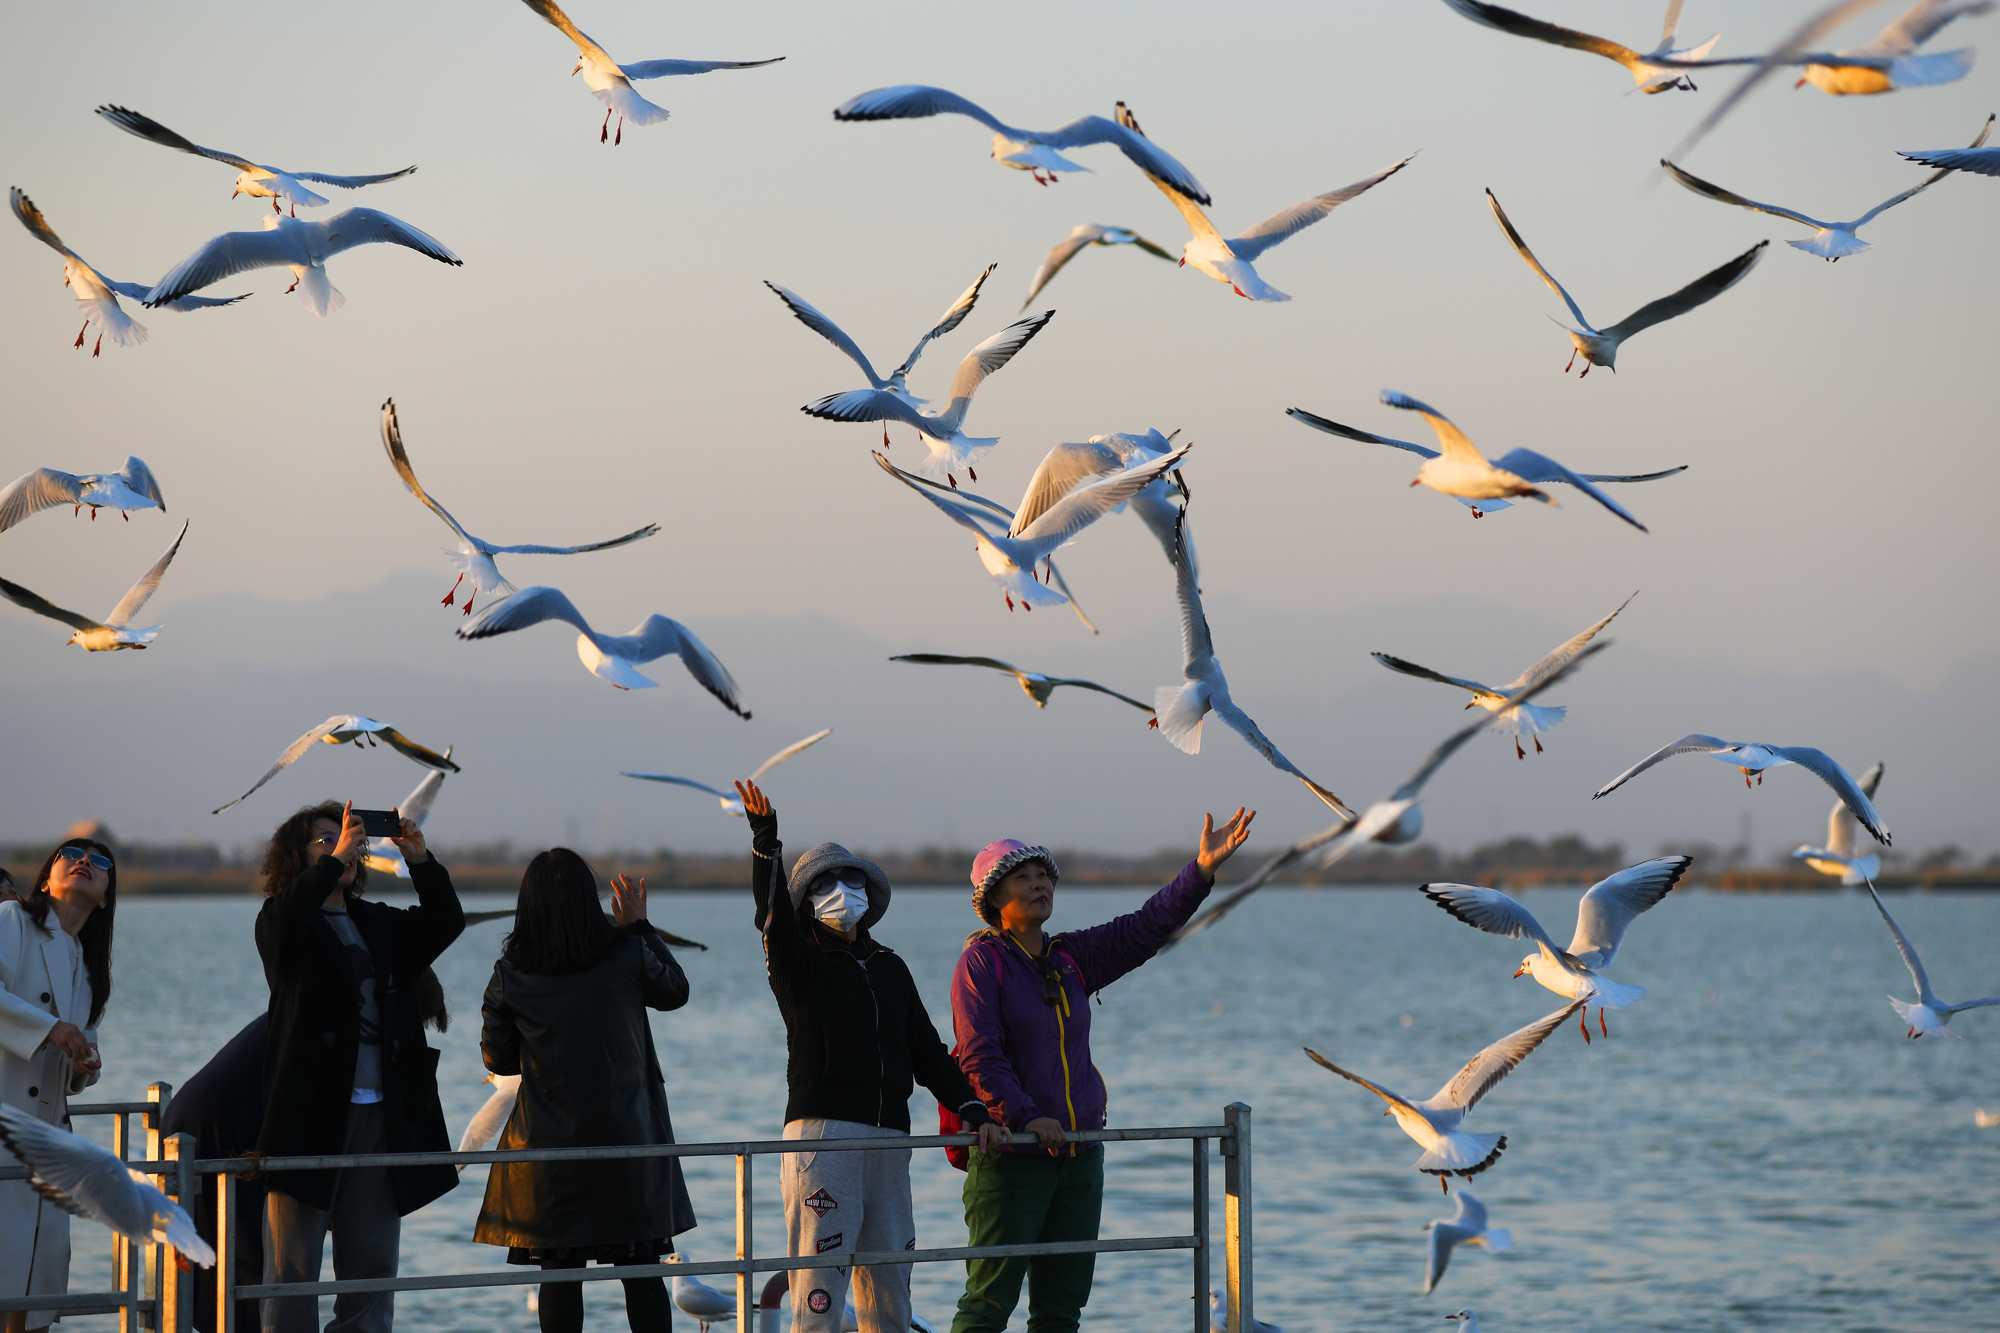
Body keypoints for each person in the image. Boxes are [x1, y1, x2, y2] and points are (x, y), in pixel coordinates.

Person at [948, 809, 1255, 1333]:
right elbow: (980, 1055)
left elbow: (1145, 927)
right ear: (994, 900)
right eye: (1023, 877)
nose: (1040, 883)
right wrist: (1025, 1119)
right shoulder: (981, 964)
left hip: (1081, 1154)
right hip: (1013, 1158)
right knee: (987, 1306)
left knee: (1062, 1312)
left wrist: (1201, 870)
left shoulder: (1072, 957)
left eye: (1044, 874)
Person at [736, 780, 1005, 1333]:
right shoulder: (797, 964)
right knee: (818, 1291)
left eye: (850, 878)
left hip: (890, 1138)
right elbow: (769, 917)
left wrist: (972, 1108)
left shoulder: (890, 965)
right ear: (805, 902)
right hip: (825, 1137)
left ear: (868, 892)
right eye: (824, 883)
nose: (840, 889)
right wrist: (767, 840)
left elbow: (926, 1051)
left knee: (890, 1295)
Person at [255, 801, 463, 1333]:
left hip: (381, 1117)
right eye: (325, 841)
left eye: (349, 839)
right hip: (307, 1118)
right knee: (291, 1273)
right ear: (297, 858)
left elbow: (445, 921)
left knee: (372, 1272)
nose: (342, 848)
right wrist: (331, 862)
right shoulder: (284, 923)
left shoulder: (377, 922)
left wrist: (420, 860)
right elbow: (282, 924)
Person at [475, 849, 694, 1333]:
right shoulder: (627, 953)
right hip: (628, 1143)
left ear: (527, 906)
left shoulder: (511, 974)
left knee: (560, 1277)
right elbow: (675, 991)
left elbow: (499, 1060)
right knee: (640, 1274)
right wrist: (640, 926)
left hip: (549, 1156)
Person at [164, 972, 451, 1333]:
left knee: (235, 1272)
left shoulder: (321, 1008)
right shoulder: (345, 1036)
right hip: (223, 1130)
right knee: (254, 1275)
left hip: (200, 1119)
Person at [0, 837, 116, 1333]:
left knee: (39, 1297)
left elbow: (72, 1071)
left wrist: (85, 1066)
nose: (84, 862)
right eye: (71, 855)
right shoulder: (11, 922)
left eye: (99, 861)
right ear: (47, 877)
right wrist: (50, 1029)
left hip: (46, 1155)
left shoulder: (87, 969)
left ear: (107, 896)